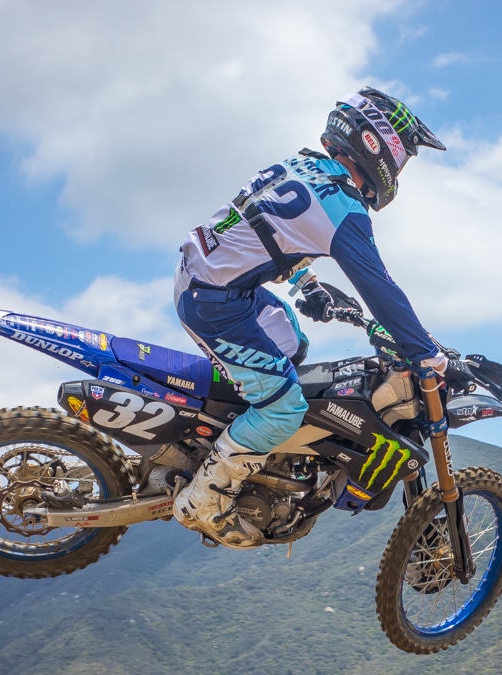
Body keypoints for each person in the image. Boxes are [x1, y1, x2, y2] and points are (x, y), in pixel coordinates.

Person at [170, 86, 448, 548]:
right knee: (285, 409)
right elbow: (380, 289)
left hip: (211, 279)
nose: (400, 171)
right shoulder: (344, 206)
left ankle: (234, 443)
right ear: (378, 145)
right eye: (403, 159)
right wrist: (426, 354)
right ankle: (206, 499)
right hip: (216, 300)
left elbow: (264, 228)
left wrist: (308, 285)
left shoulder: (300, 166)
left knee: (293, 347)